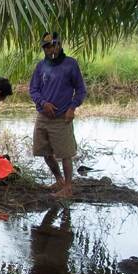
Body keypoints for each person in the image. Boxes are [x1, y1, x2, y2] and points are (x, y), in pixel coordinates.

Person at [29, 32, 86, 198]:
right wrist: (43, 103)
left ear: (59, 45)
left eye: (52, 46)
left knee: (66, 154)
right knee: (45, 152)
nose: (49, 50)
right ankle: (59, 180)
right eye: (46, 47)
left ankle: (68, 187)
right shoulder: (41, 66)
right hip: (43, 116)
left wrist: (72, 108)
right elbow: (33, 89)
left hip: (62, 117)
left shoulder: (70, 65)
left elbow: (81, 90)